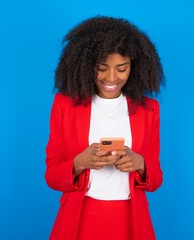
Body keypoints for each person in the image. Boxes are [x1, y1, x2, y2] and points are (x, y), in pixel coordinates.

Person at [45, 16, 164, 240]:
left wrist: (140, 164)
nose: (111, 77)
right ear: (87, 65)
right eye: (102, 68)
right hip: (79, 219)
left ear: (134, 67)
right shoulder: (65, 106)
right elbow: (51, 175)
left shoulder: (149, 110)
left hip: (131, 221)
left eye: (122, 68)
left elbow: (156, 178)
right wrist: (79, 163)